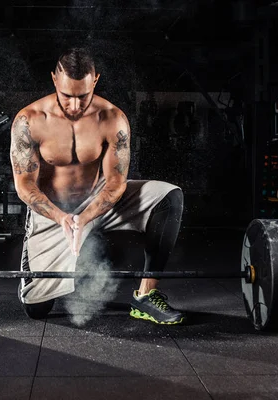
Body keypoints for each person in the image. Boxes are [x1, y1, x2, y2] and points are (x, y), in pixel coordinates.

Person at [10, 47, 185, 324]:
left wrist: (84, 217)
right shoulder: (29, 120)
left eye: (83, 96)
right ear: (55, 80)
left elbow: (116, 183)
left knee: (167, 196)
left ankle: (145, 296)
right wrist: (63, 217)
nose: (76, 106)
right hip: (53, 213)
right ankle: (49, 261)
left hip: (100, 202)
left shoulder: (113, 119)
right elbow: (24, 185)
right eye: (67, 96)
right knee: (36, 309)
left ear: (95, 81)